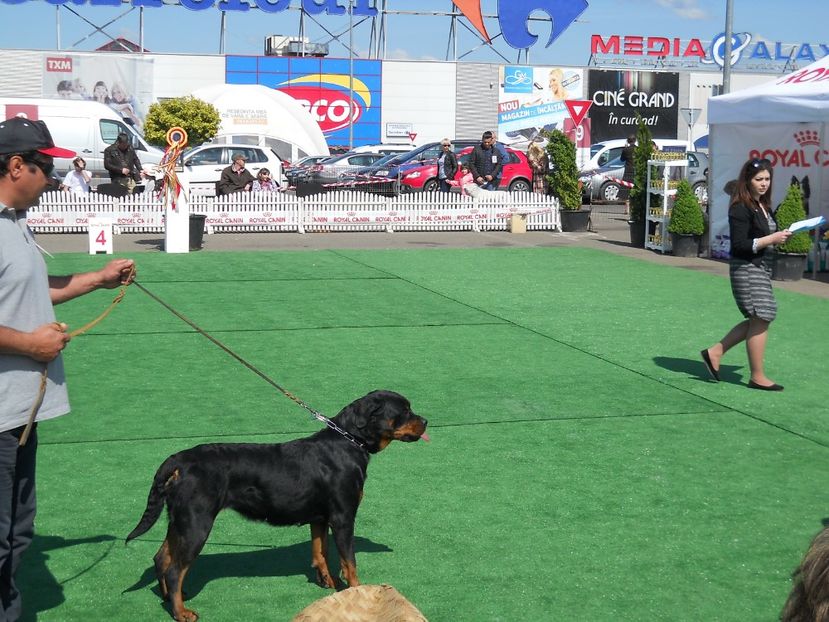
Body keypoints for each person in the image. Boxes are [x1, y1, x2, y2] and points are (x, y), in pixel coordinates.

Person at [0, 115, 136, 621]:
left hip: (19, 413)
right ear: (16, 166)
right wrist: (29, 345)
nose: (52, 178)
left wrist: (98, 278)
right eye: (43, 167)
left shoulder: (15, 224)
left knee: (18, 530)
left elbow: (37, 287)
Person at [700, 158, 792, 391]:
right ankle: (757, 376)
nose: (764, 184)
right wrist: (771, 238)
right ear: (747, 180)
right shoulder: (740, 207)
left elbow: (764, 235)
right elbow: (740, 245)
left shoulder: (763, 205)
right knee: (762, 315)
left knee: (759, 318)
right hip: (746, 268)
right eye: (758, 179)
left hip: (761, 267)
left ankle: (715, 352)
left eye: (767, 179)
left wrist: (780, 236)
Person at [620, 134, 636, 215]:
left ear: (628, 141)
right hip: (636, 171)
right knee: (635, 190)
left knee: (626, 191)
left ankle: (627, 209)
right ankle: (634, 209)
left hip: (628, 170)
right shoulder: (638, 149)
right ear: (635, 140)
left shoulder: (626, 150)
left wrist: (625, 148)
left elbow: (622, 159)